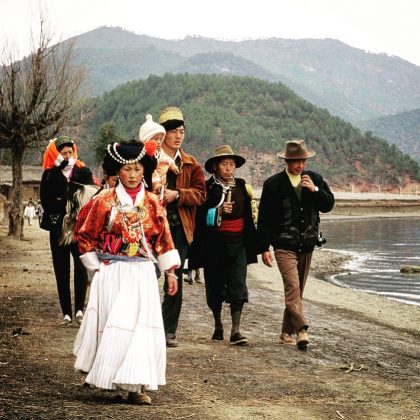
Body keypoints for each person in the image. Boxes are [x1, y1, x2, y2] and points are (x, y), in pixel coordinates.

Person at [74, 140, 180, 405]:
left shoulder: (154, 203)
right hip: (113, 271)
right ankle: (108, 376)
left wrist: (170, 272)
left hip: (142, 272)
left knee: (140, 327)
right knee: (114, 325)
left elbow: (163, 240)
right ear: (117, 172)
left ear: (144, 170)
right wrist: (96, 267)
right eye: (126, 169)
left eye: (137, 169)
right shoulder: (104, 201)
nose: (132, 175)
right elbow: (85, 235)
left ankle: (137, 386)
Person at [257, 139, 334, 349]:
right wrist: (264, 248)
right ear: (287, 161)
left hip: (307, 245)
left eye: (302, 160)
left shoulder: (315, 179)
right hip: (283, 245)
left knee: (297, 292)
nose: (300, 165)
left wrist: (315, 190)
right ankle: (301, 331)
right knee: (292, 287)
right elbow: (263, 219)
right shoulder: (273, 184)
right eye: (295, 161)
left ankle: (285, 332)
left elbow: (328, 205)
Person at [189, 145, 258, 345]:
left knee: (238, 283)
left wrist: (260, 248)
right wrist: (218, 212)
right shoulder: (207, 188)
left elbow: (249, 218)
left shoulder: (242, 187)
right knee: (215, 286)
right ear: (216, 167)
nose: (228, 168)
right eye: (224, 164)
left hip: (238, 244)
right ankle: (218, 324)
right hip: (214, 244)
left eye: (231, 164)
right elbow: (199, 216)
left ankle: (236, 330)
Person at [158, 106, 206, 347]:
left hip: (178, 229)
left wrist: (178, 195)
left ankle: (168, 330)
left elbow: (201, 195)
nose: (178, 136)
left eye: (182, 131)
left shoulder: (190, 163)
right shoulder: (149, 160)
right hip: (152, 228)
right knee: (146, 275)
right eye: (173, 131)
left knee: (174, 278)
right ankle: (142, 324)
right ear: (163, 134)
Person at [40, 136, 96, 326]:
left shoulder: (83, 171)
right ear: (56, 154)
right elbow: (45, 200)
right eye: (63, 152)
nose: (67, 155)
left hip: (79, 227)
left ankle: (79, 309)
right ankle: (66, 312)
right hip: (59, 228)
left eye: (69, 152)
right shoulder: (49, 174)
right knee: (61, 268)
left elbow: (91, 195)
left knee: (81, 267)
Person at [138, 113, 179, 197]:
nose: (159, 142)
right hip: (152, 185)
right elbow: (152, 171)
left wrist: (173, 165)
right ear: (146, 140)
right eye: (156, 139)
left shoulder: (160, 152)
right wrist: (156, 184)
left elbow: (166, 158)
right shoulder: (144, 155)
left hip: (163, 183)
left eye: (161, 139)